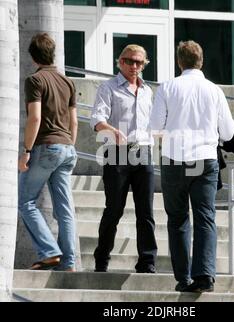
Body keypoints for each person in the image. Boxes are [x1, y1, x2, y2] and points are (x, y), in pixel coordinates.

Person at [150, 40, 234, 292]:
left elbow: (155, 127)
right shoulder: (214, 90)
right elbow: (228, 132)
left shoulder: (167, 87)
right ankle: (205, 276)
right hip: (205, 159)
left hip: (175, 159)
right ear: (201, 61)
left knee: (177, 219)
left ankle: (183, 278)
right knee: (205, 217)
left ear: (179, 62)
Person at [90, 44, 157, 273]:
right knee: (114, 210)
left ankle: (147, 262)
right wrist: (111, 130)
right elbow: (97, 119)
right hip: (116, 153)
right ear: (120, 62)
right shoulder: (108, 87)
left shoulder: (148, 91)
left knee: (146, 211)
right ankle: (102, 259)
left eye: (139, 62)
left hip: (144, 152)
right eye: (130, 61)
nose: (134, 66)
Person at [18, 33, 78, 271]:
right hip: (67, 148)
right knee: (64, 209)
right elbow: (74, 122)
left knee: (25, 201)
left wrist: (26, 151)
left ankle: (50, 251)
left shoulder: (35, 81)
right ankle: (69, 262)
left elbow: (35, 117)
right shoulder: (68, 82)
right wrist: (69, 146)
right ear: (53, 54)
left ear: (33, 58)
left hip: (45, 147)